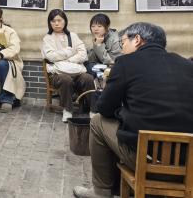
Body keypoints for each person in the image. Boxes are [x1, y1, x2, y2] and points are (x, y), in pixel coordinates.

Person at [73, 23, 193, 198]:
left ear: (137, 39)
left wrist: (121, 111)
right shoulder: (186, 65)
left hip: (149, 162)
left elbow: (104, 108)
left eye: (123, 43)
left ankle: (101, 191)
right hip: (188, 163)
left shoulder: (126, 63)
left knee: (98, 121)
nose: (122, 49)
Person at [41, 9, 95, 123]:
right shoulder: (47, 38)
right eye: (53, 21)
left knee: (88, 78)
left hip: (76, 71)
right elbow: (50, 56)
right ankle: (67, 110)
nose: (56, 23)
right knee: (65, 79)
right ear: (49, 23)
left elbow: (83, 54)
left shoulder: (73, 36)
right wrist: (68, 52)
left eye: (59, 20)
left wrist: (68, 60)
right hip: (57, 73)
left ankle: (93, 109)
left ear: (65, 21)